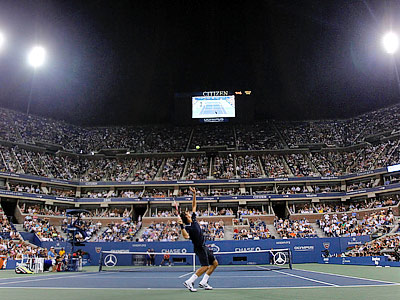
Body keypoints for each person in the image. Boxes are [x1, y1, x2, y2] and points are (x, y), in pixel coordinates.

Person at [178, 187, 218, 292]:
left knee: (214, 263)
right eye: (187, 214)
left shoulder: (194, 219)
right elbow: (186, 236)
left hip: (204, 246)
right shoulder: (188, 227)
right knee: (205, 266)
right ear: (186, 217)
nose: (189, 213)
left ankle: (204, 282)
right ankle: (189, 281)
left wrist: (194, 194)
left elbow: (194, 206)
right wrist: (181, 226)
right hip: (199, 248)